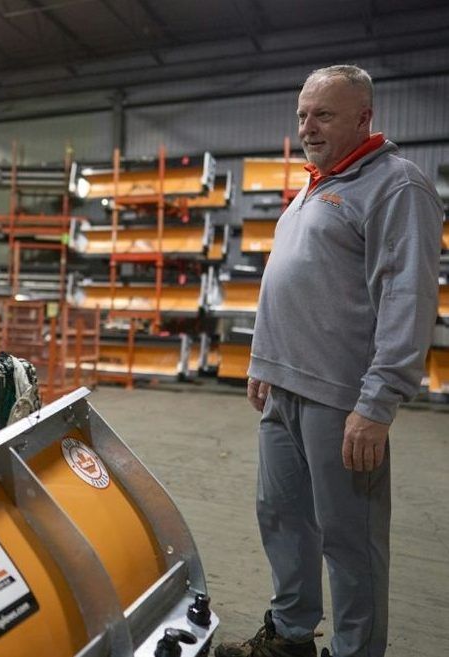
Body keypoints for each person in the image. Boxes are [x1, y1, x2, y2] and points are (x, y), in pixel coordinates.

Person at [215, 65, 443, 657]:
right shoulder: (315, 184)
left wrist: (378, 402)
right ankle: (290, 638)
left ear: (364, 117)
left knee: (351, 540)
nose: (306, 127)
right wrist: (261, 359)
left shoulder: (396, 186)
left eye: (323, 115)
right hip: (283, 387)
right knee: (282, 518)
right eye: (301, 115)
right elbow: (284, 280)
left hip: (342, 398)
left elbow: (408, 298)